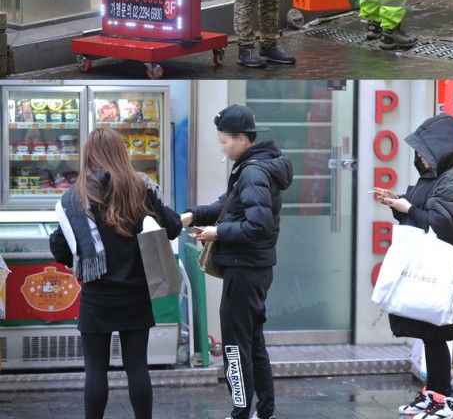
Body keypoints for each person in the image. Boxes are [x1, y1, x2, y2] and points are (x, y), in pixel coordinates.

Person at [49, 127, 182, 419]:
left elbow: (59, 247)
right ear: (121, 154)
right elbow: (173, 226)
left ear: (89, 156)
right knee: (137, 368)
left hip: (97, 295)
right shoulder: (140, 188)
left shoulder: (76, 198)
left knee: (95, 371)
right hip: (136, 293)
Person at [181, 104, 293, 419]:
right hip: (255, 270)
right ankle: (264, 410)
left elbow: (259, 225)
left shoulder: (254, 170)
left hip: (244, 270)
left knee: (234, 346)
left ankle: (240, 411)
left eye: (224, 141)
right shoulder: (254, 166)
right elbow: (228, 204)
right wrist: (193, 214)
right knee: (252, 342)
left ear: (242, 138)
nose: (222, 147)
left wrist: (217, 232)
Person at [374, 113, 453, 419]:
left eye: (424, 151)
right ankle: (432, 395)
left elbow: (443, 224)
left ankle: (443, 400)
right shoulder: (434, 177)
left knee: (436, 333)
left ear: (440, 150)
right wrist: (398, 202)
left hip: (442, 268)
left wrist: (408, 207)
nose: (419, 156)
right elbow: (421, 212)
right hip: (429, 266)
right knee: (429, 332)